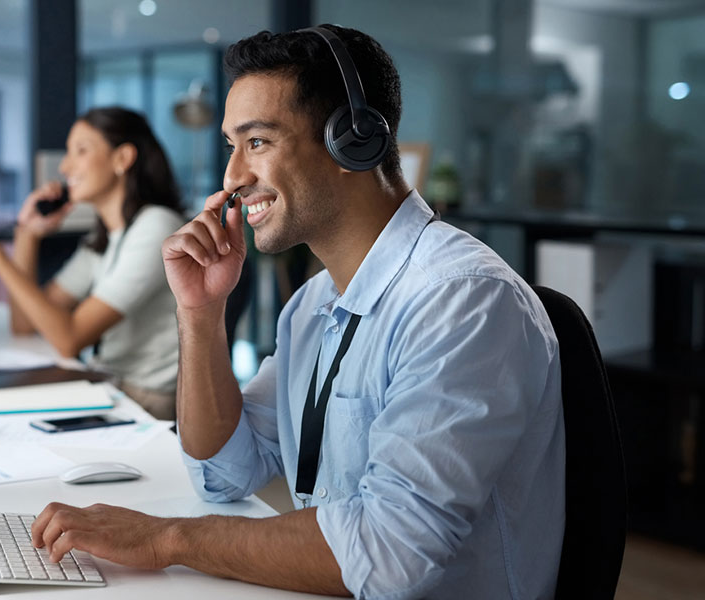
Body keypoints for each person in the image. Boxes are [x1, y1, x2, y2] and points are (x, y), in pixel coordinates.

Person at [28, 25, 565, 599]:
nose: (233, 176)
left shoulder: (461, 301)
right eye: (231, 145)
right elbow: (224, 472)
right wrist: (200, 314)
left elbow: (387, 555)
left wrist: (166, 540)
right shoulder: (314, 306)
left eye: (257, 142)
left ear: (352, 142)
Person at [0, 107, 185, 419]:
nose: (66, 167)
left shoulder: (156, 228)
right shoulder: (105, 237)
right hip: (112, 386)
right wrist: (27, 235)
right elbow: (26, 324)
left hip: (147, 400)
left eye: (81, 151)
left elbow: (68, 339)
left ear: (122, 159)